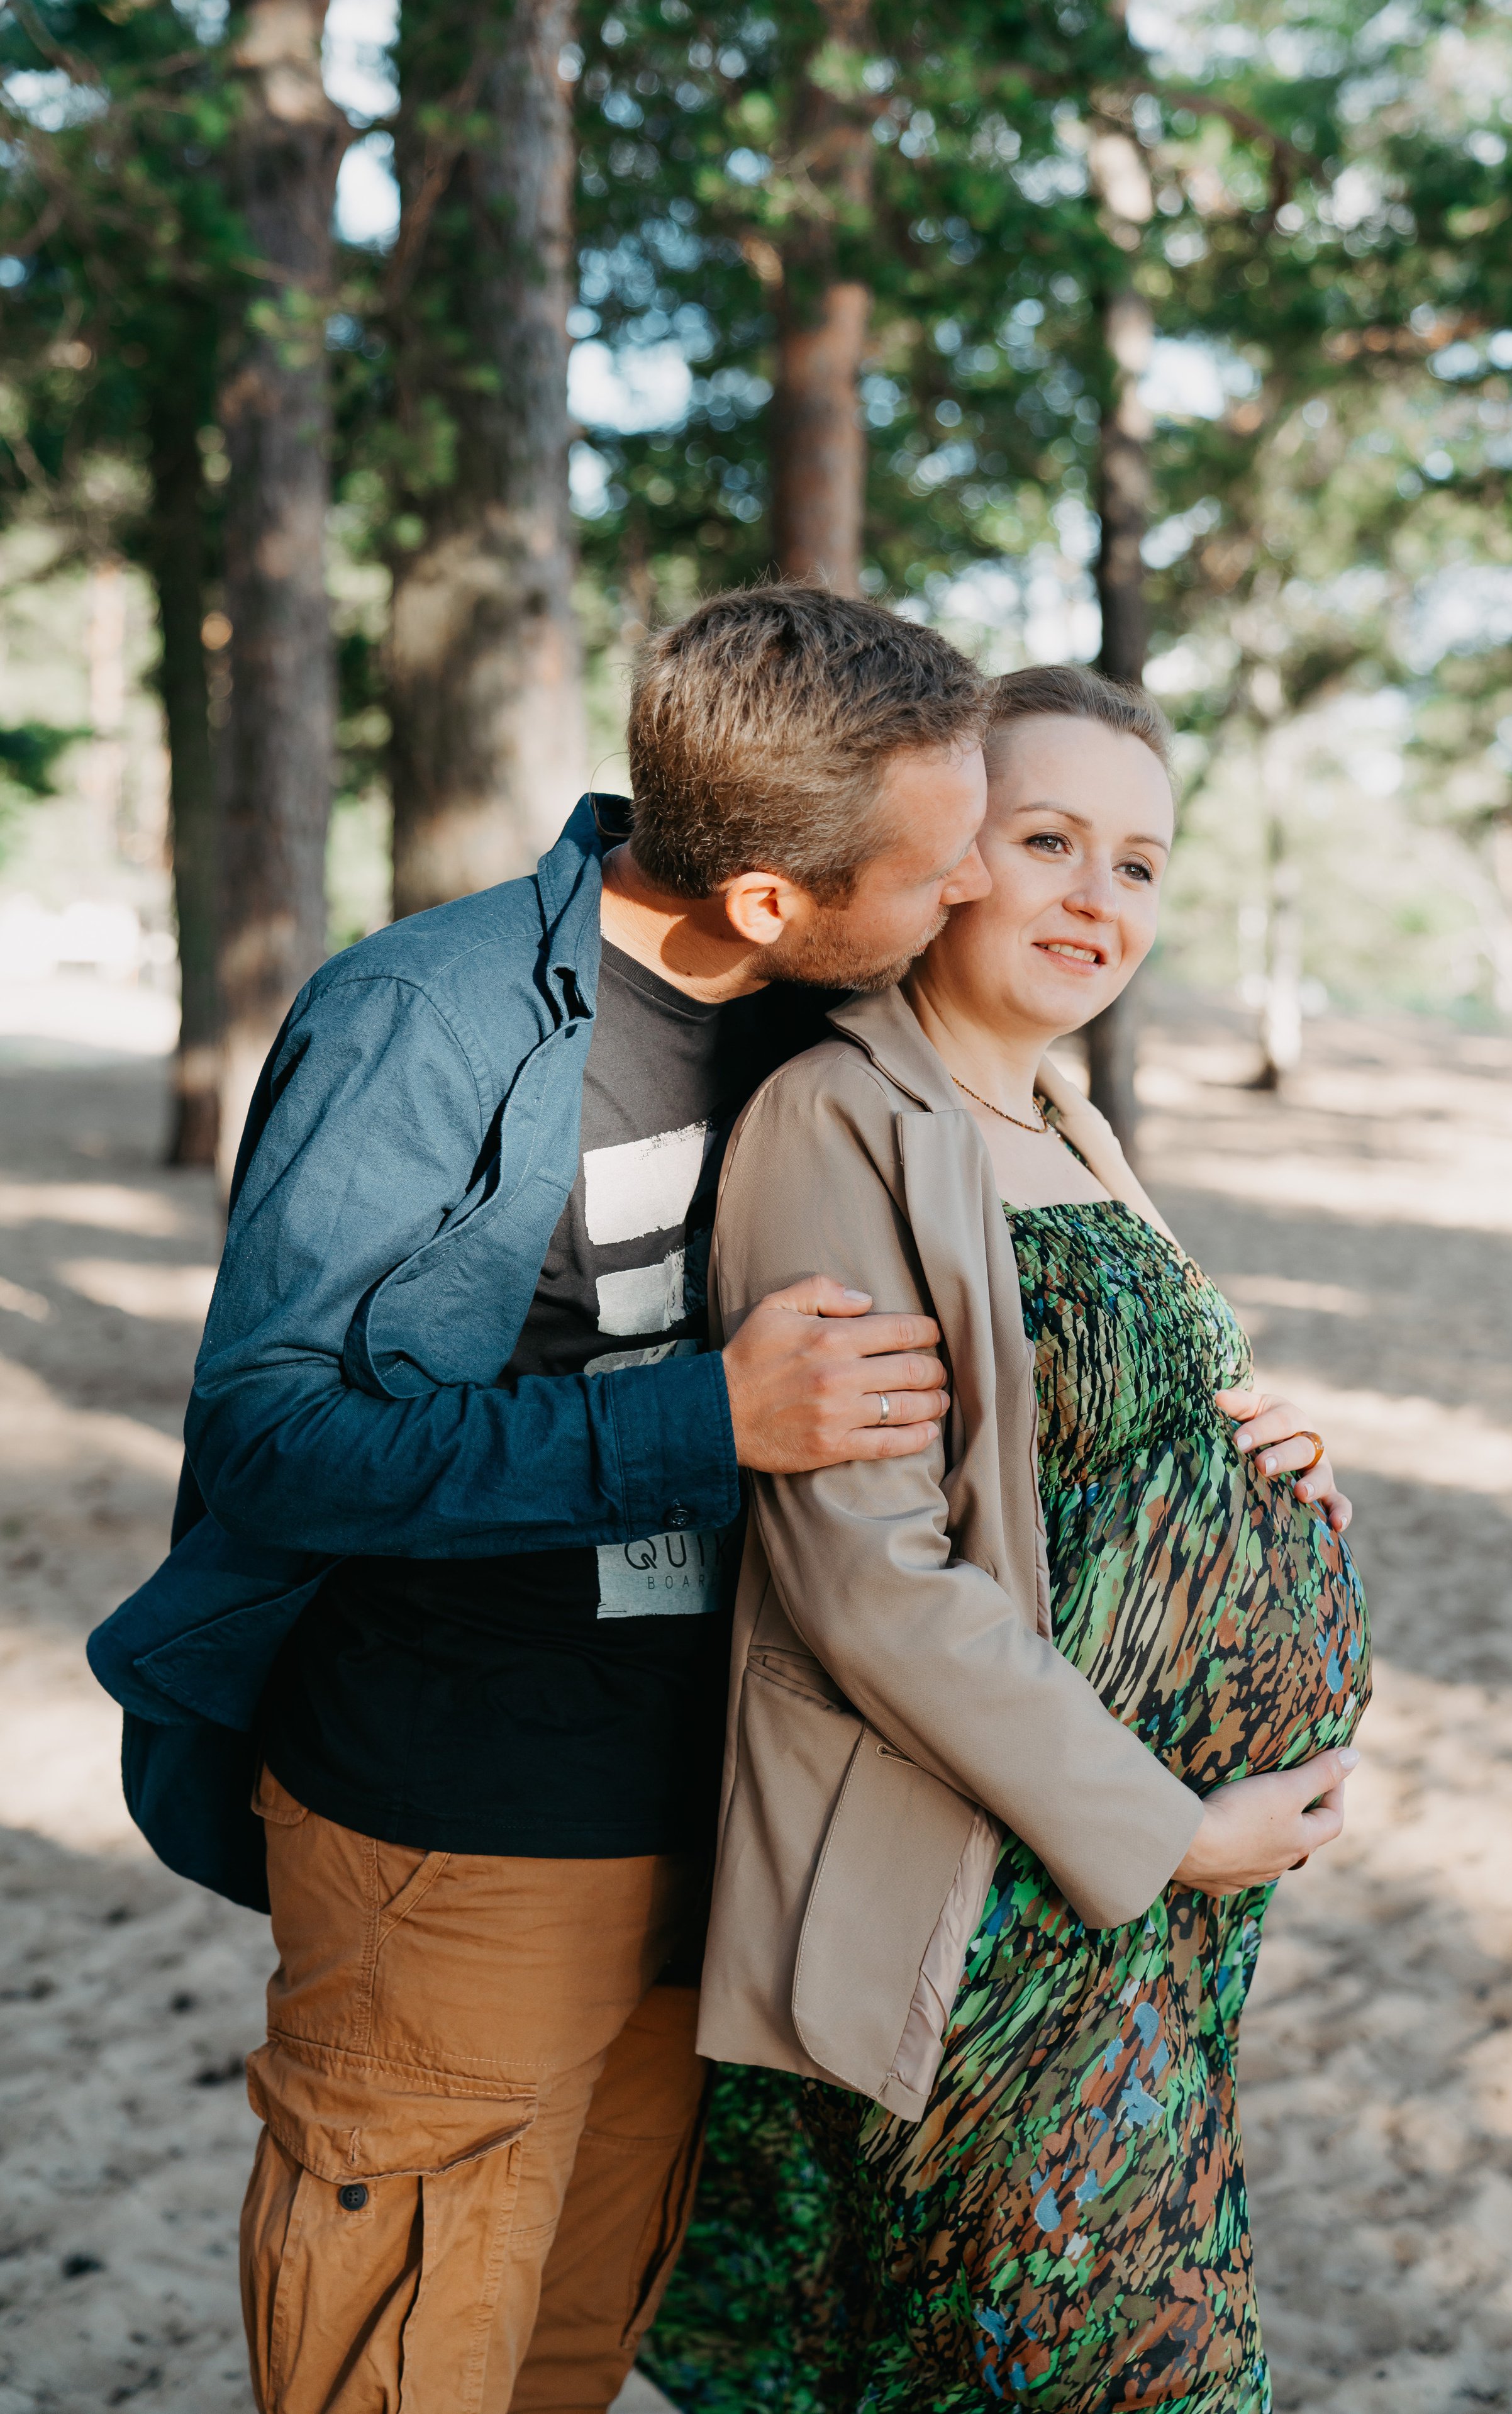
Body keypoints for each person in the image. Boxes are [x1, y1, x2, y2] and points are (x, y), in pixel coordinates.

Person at [86, 591, 1277, 2414]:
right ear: (774, 895)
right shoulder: (429, 1016)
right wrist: (697, 1422)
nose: (976, 891)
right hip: (461, 1816)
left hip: (713, 1822)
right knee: (408, 2349)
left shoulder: (816, 1029)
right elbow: (268, 1438)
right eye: (951, 861)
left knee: (575, 2340)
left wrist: (1217, 1443)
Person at [665, 661, 1369, 2414]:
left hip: (1153, 1930)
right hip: (1016, 1904)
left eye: (1138, 863)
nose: (1096, 897)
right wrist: (1177, 1832)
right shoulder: (843, 1120)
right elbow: (866, 1579)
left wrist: (1261, 1437)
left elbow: (1099, 1436)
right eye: (1046, 838)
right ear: (950, 855)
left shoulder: (1060, 1114)